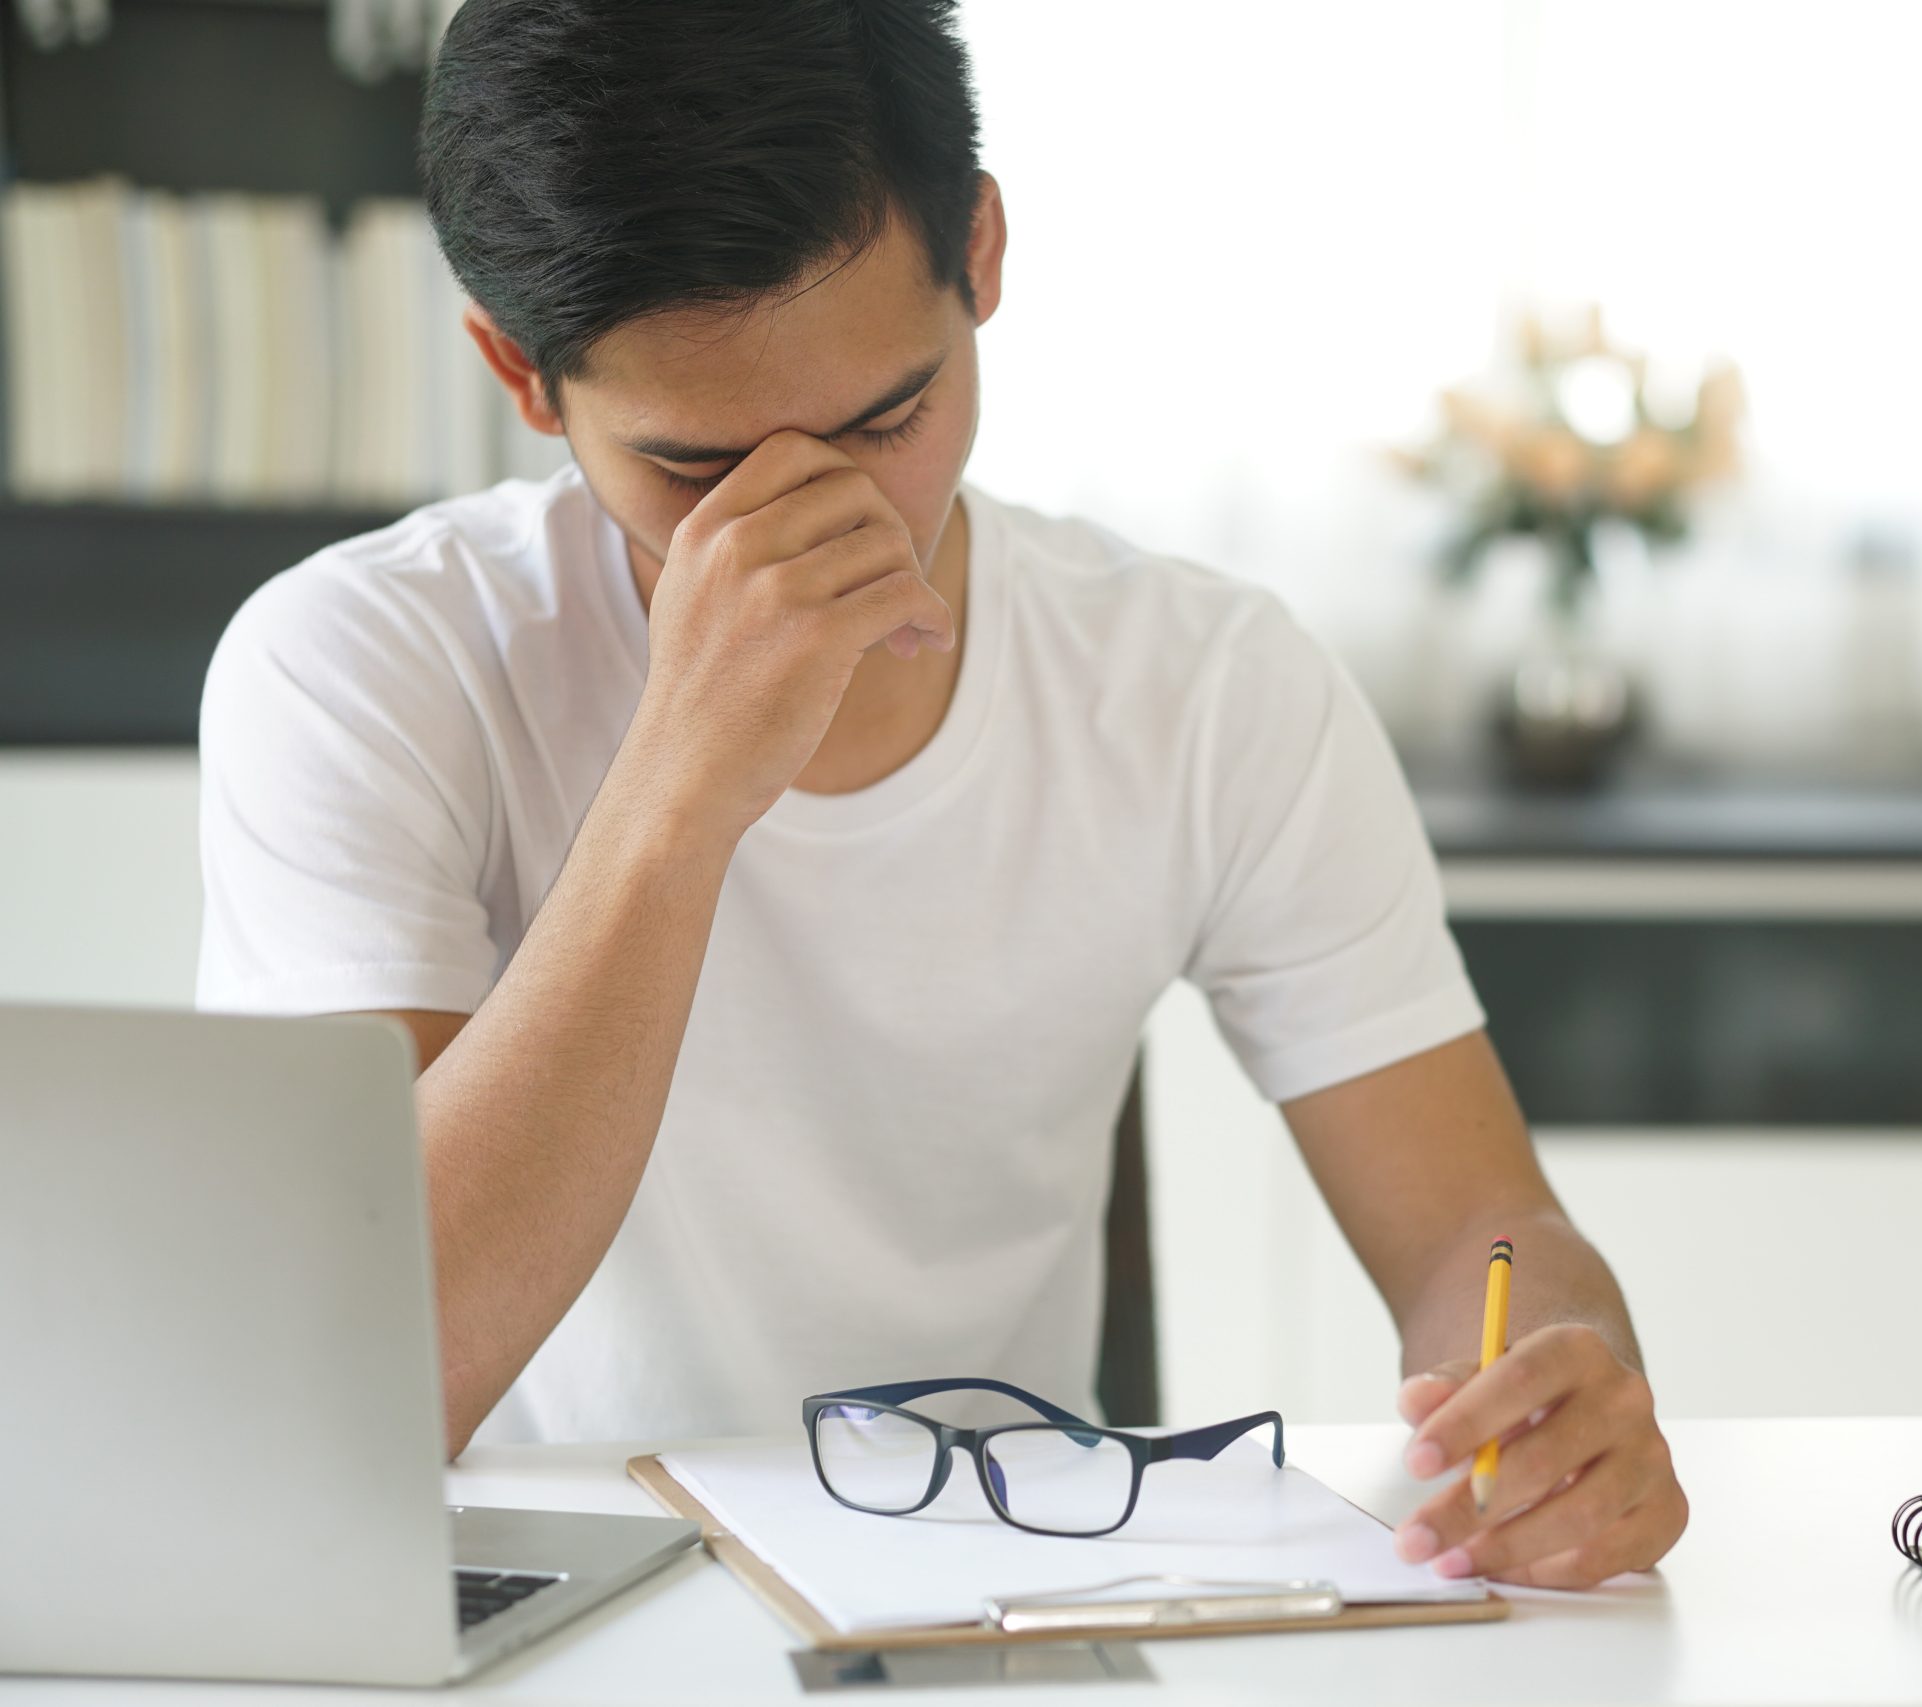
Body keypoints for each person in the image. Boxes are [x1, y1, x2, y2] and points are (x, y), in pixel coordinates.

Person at [195, 0, 1686, 1590]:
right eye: (700, 475)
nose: (816, 520)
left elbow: (1479, 1229)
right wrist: (683, 785)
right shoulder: (359, 666)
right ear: (521, 372)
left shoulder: (1206, 685)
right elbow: (358, 1393)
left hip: (1006, 1600)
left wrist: (1559, 1379)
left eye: (887, 418)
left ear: (980, 249)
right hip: (523, 1602)